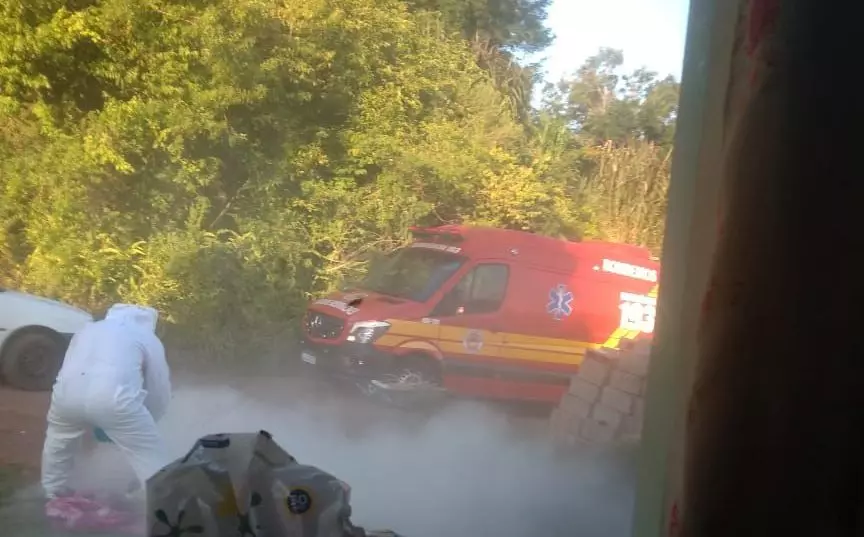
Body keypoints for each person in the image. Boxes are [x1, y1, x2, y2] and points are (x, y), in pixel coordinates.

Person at [41, 303, 172, 499]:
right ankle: (160, 503)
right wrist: (148, 421)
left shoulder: (86, 331)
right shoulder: (146, 338)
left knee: (58, 443)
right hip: (115, 401)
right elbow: (158, 388)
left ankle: (53, 492)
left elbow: (70, 366)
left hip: (65, 396)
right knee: (150, 455)